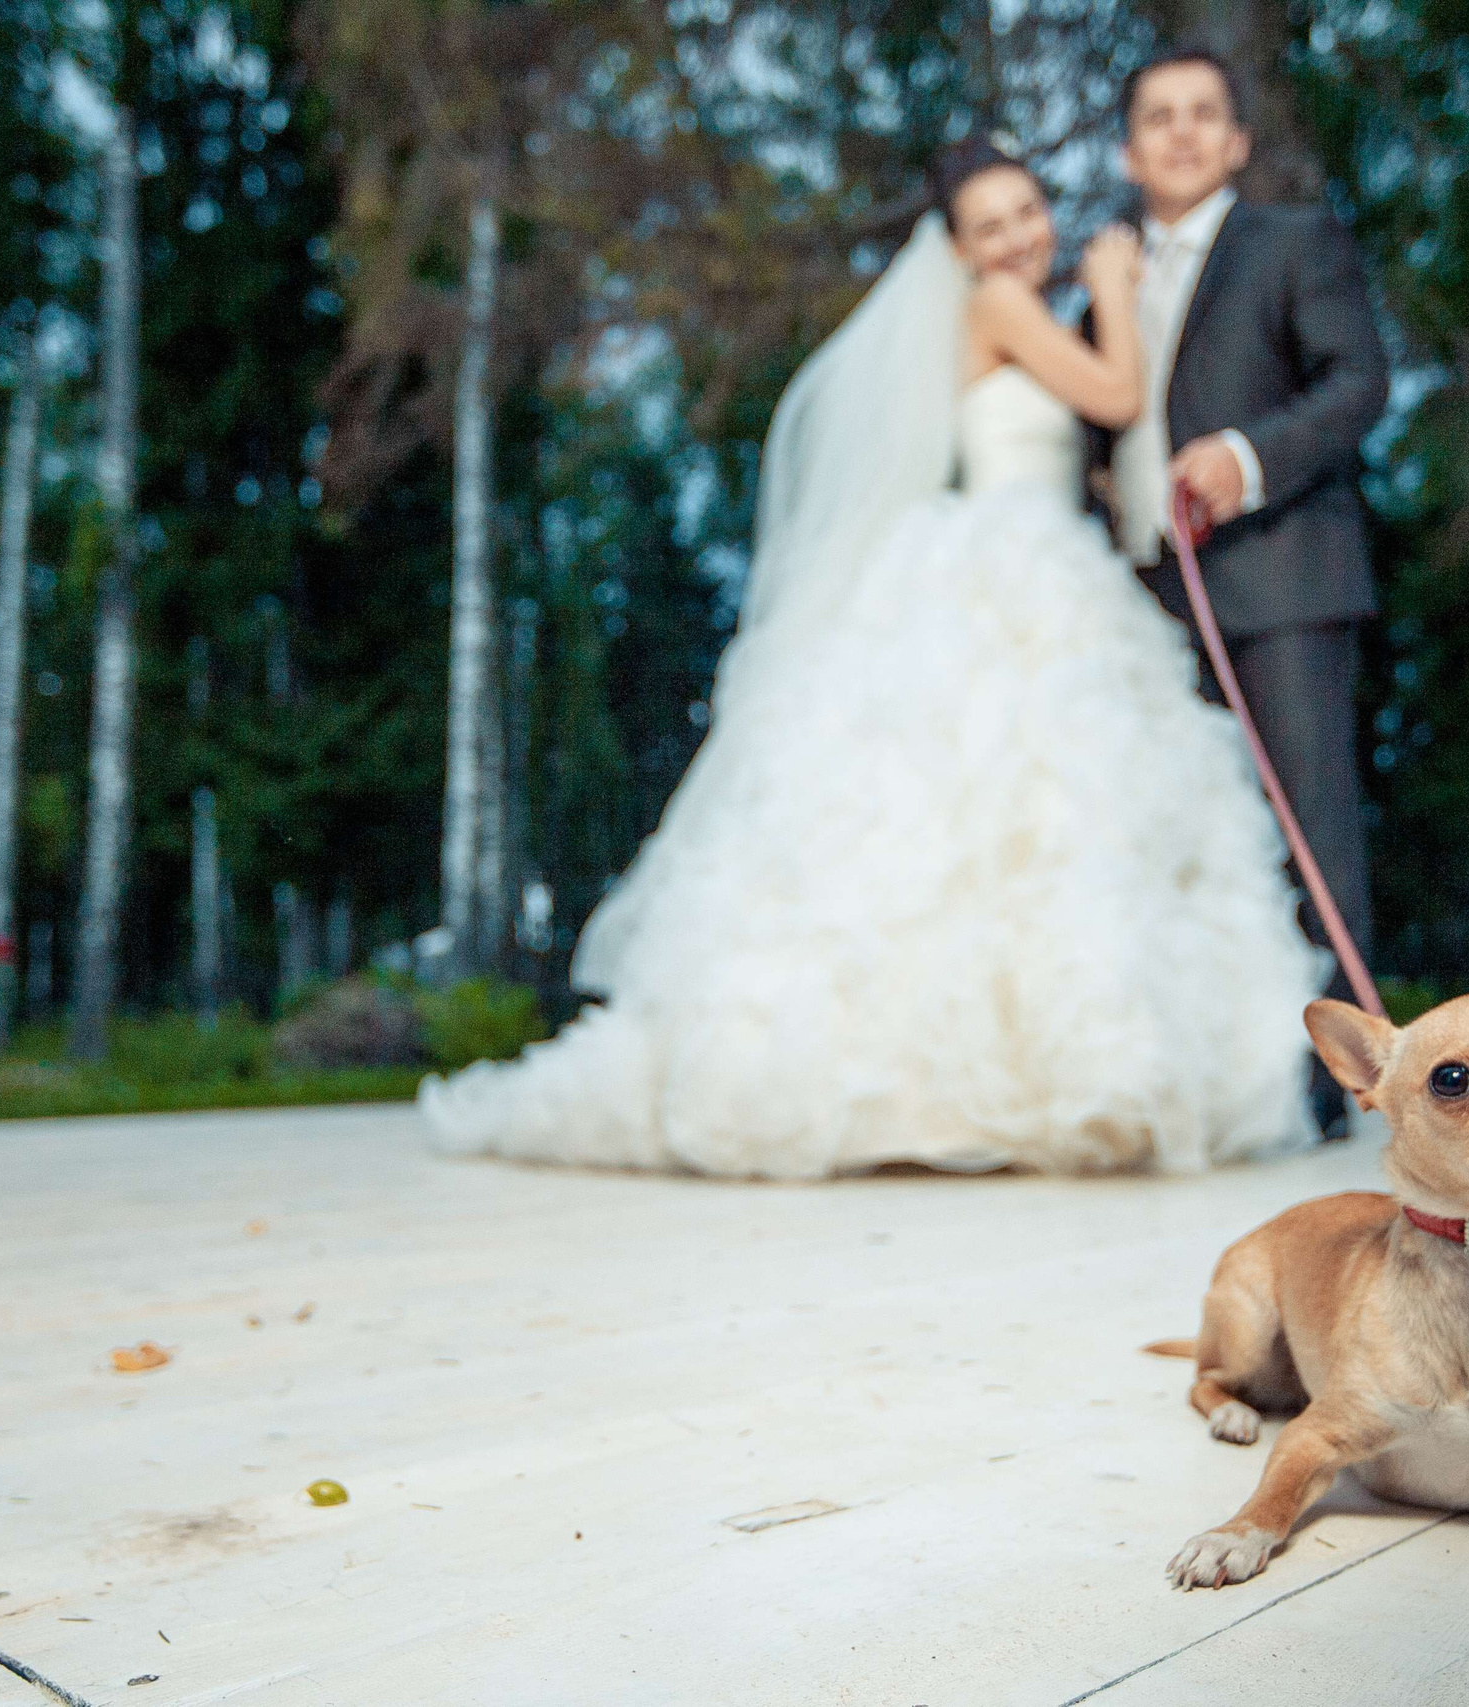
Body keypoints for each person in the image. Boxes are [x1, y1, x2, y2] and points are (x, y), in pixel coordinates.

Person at [416, 139, 1322, 1179]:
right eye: (989, 226)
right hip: (1008, 564)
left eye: (1027, 212)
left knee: (1034, 826)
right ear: (958, 250)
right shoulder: (1001, 305)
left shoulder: (1017, 312)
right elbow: (1117, 395)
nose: (1016, 238)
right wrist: (1115, 286)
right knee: (989, 813)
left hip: (1053, 558)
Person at [1096, 48, 1391, 1141]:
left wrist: (1245, 457)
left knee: (1308, 837)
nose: (1180, 132)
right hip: (1142, 608)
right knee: (1188, 846)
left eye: (1202, 114)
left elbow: (1358, 381)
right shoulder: (1108, 275)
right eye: (1157, 117)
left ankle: (1339, 1090)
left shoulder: (1293, 242)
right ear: (1127, 152)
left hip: (1280, 584)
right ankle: (1224, 1074)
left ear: (1235, 143)